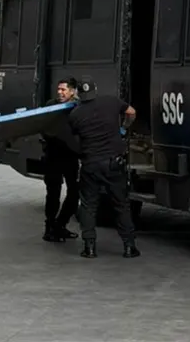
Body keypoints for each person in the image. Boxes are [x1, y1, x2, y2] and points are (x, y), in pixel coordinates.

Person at [68, 78, 139, 259]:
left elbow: (76, 138)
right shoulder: (111, 101)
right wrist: (123, 129)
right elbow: (131, 112)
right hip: (113, 163)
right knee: (121, 204)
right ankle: (129, 246)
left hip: (90, 164)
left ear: (78, 93)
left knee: (88, 206)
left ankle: (89, 248)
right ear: (95, 89)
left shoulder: (75, 114)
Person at [40, 77, 81, 242]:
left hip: (70, 157)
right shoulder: (51, 106)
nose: (60, 92)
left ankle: (60, 225)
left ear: (72, 91)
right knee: (53, 194)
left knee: (74, 193)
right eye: (59, 89)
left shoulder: (78, 107)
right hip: (53, 157)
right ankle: (49, 228)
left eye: (63, 90)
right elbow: (43, 127)